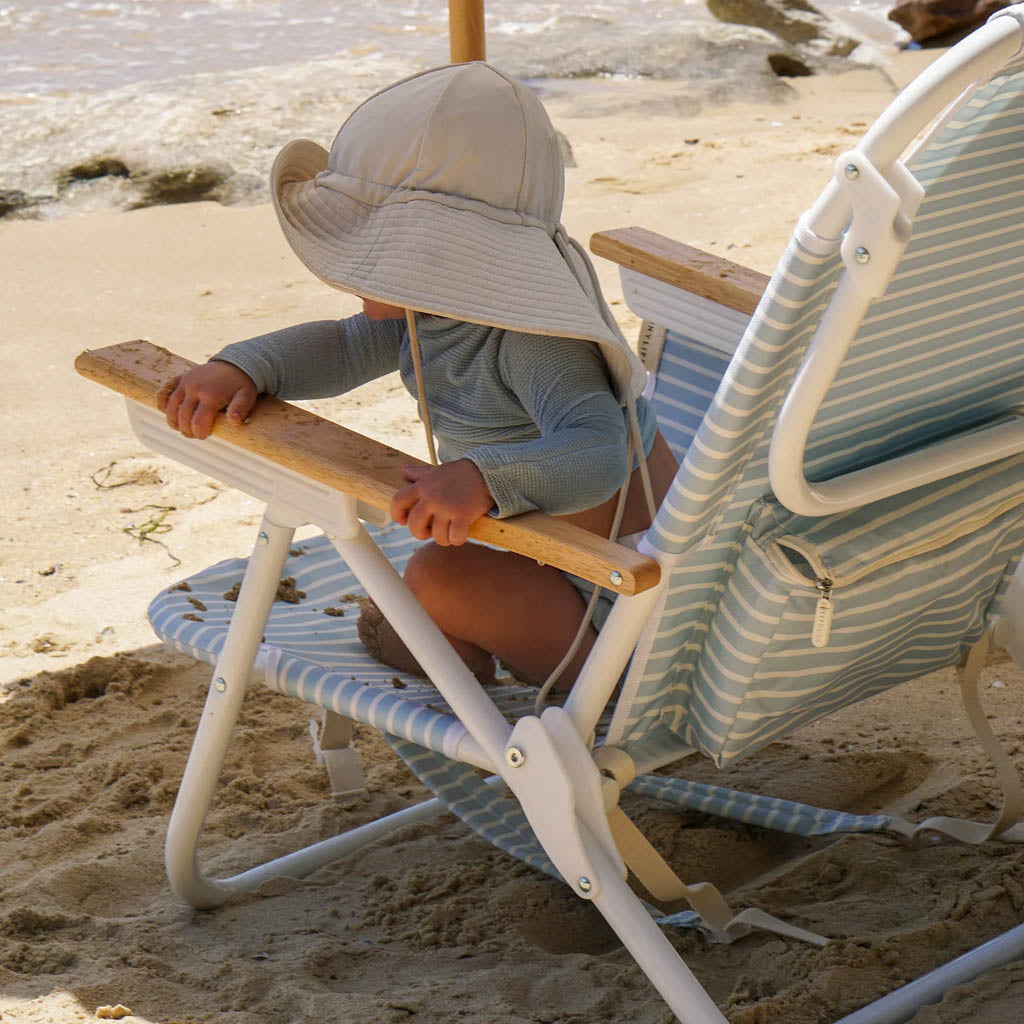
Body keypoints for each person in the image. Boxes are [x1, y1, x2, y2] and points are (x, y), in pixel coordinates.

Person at [158, 61, 677, 690]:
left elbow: (598, 449)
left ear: (444, 260)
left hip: (621, 597)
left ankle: (473, 650)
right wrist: (244, 366)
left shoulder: (533, 339)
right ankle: (455, 640)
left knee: (436, 575)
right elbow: (345, 346)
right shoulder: (434, 311)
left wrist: (485, 477)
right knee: (442, 574)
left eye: (372, 251)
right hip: (558, 568)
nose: (352, 272)